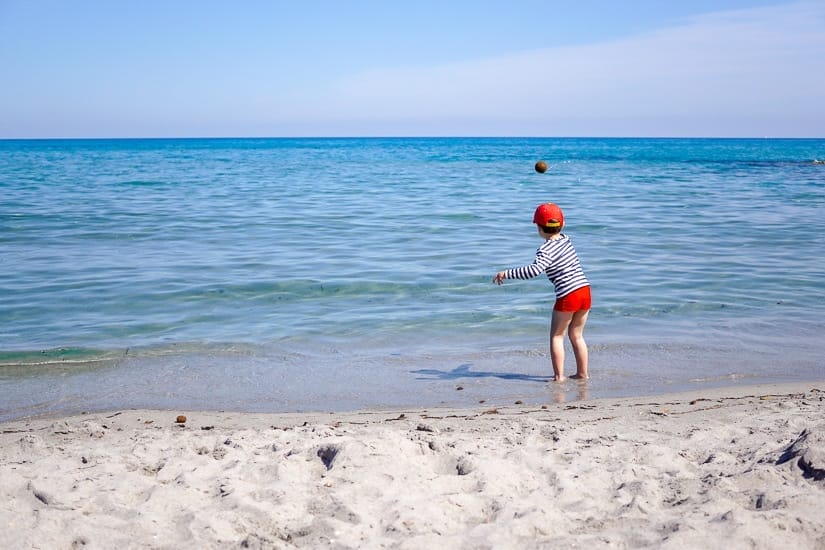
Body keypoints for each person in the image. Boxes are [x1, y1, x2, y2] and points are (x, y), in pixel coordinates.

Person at [493, 202, 591, 381]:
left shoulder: (545, 250)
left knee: (557, 336)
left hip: (568, 294)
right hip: (585, 290)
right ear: (563, 224)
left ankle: (559, 376)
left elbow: (533, 271)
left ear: (538, 228)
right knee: (577, 335)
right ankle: (583, 373)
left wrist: (506, 273)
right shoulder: (566, 240)